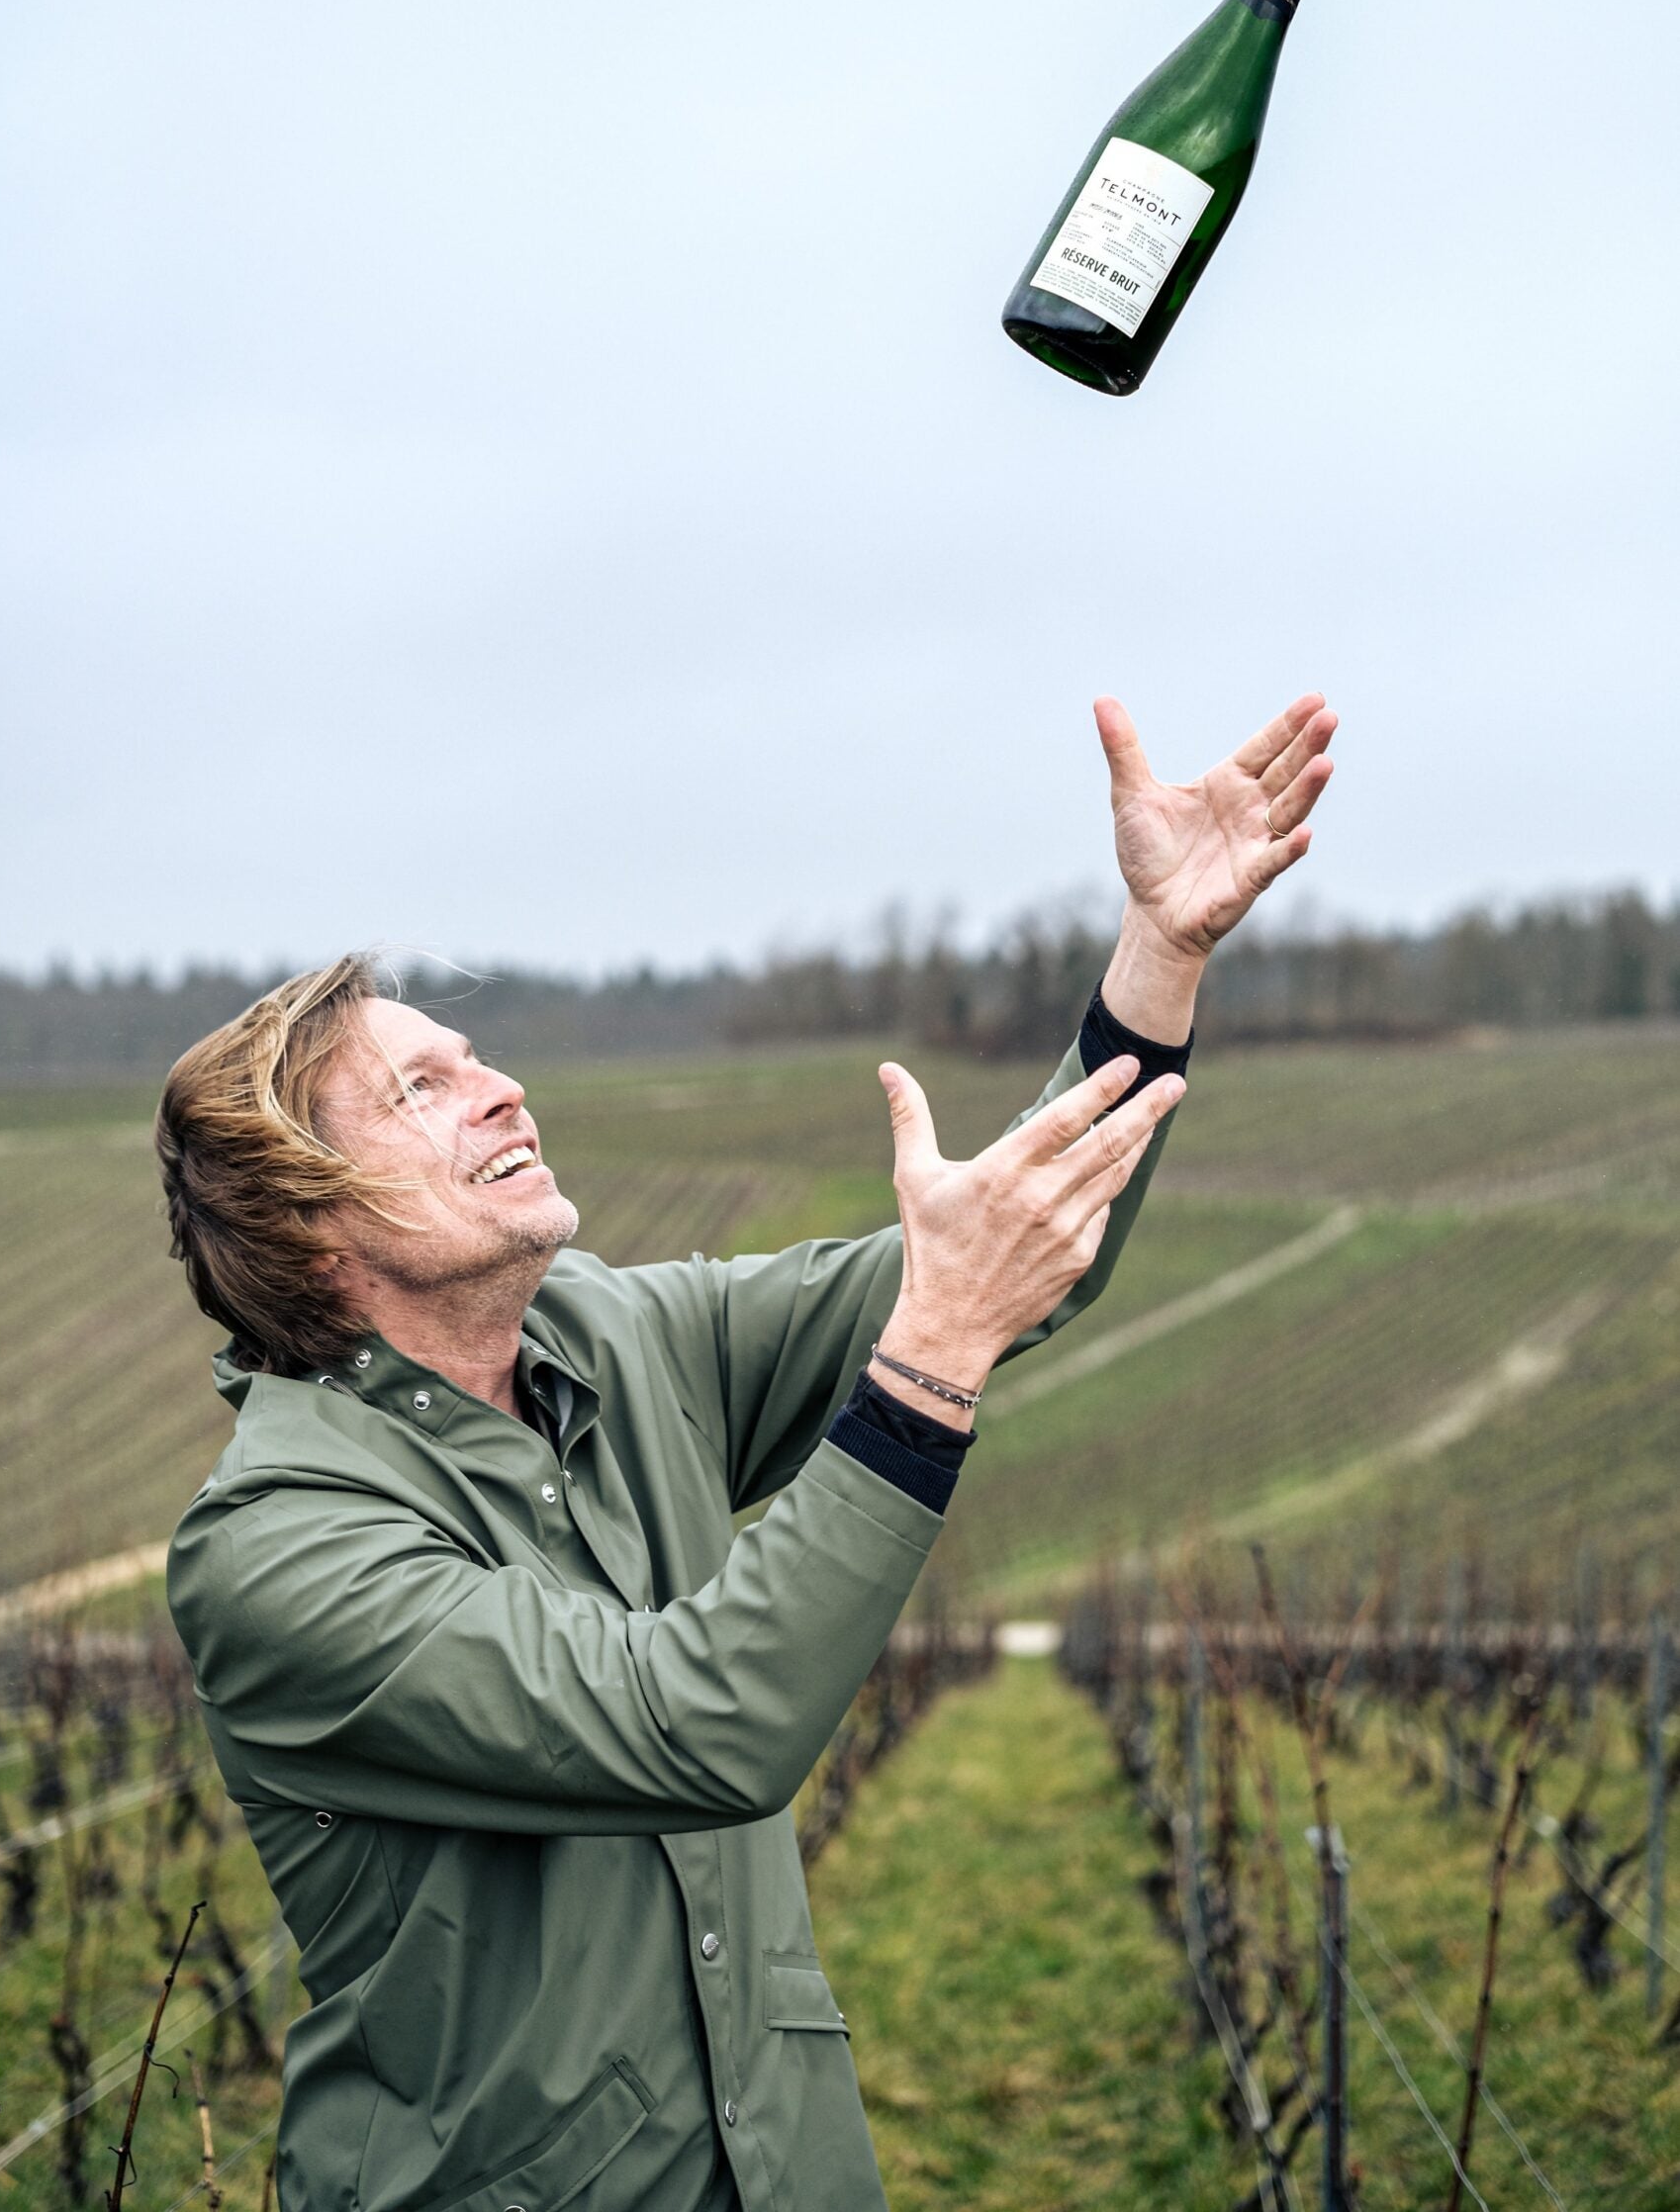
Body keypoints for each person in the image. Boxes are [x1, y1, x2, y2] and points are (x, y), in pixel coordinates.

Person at [159, 691, 1335, 2212]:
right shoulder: (280, 1546)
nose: (502, 1085)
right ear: (308, 1223)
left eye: (475, 1054)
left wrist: (1158, 956)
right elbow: (696, 1728)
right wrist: (931, 1365)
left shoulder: (620, 1341)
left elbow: (1001, 1261)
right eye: (421, 1089)